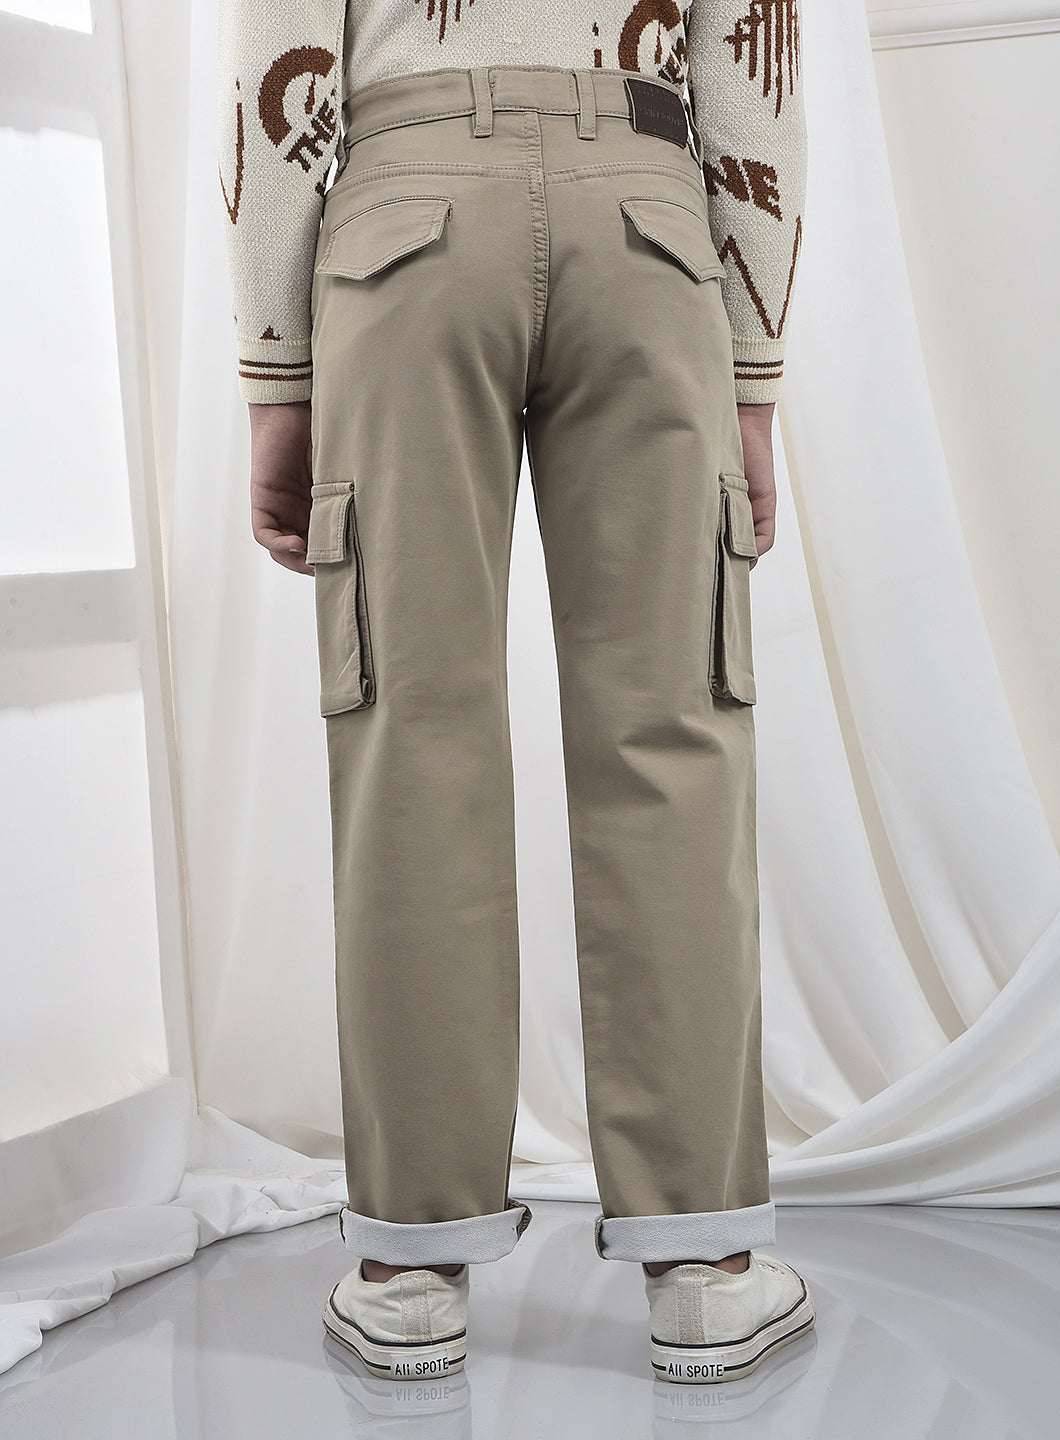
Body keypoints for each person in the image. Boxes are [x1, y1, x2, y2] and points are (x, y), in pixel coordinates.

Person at [217, 0, 814, 1385]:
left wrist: (276, 366)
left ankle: (410, 1266)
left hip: (403, 221)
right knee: (675, 727)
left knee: (408, 730)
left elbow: (275, 61)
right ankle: (707, 1266)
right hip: (647, 216)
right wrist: (754, 364)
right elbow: (753, 63)